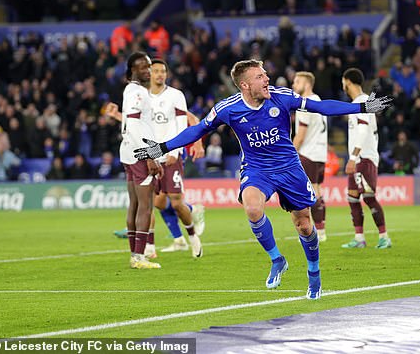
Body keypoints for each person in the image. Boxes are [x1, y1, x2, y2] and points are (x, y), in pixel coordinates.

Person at [134, 59, 392, 300]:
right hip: (257, 169)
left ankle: (313, 272)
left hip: (289, 167)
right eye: (260, 76)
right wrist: (161, 148)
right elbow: (198, 129)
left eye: (266, 74)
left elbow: (321, 106)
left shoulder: (282, 97)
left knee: (303, 224)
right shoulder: (228, 108)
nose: (267, 78)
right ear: (245, 85)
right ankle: (276, 259)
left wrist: (362, 107)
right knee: (252, 207)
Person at [105, 65, 206, 256]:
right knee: (153, 202)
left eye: (163, 71)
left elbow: (190, 118)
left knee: (176, 203)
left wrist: (195, 144)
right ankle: (153, 246)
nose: (159, 75)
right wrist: (117, 115)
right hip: (149, 154)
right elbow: (134, 123)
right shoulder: (141, 97)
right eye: (155, 71)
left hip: (170, 153)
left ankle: (192, 229)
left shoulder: (174, 95)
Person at [340, 68, 392, 250]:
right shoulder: (360, 102)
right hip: (361, 157)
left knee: (368, 197)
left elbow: (362, 131)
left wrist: (353, 158)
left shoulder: (363, 102)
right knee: (353, 197)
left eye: (343, 81)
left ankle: (384, 237)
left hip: (364, 158)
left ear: (347, 81)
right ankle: (359, 238)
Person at [121, 51, 162, 269]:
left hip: (128, 151)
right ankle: (139, 257)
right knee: (145, 207)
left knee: (134, 205)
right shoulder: (138, 92)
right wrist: (150, 156)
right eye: (143, 67)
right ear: (132, 70)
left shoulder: (130, 90)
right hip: (139, 153)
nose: (148, 70)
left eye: (150, 66)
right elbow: (136, 124)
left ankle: (134, 255)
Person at [291, 71, 329, 242]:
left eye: (297, 81)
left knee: (309, 193)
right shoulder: (318, 100)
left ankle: (316, 233)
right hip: (320, 153)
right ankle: (321, 231)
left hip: (308, 153)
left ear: (307, 84)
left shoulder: (305, 104)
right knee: (317, 191)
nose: (293, 85)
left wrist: (289, 153)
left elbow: (301, 135)